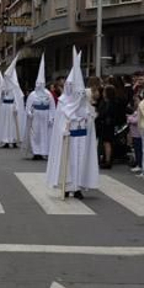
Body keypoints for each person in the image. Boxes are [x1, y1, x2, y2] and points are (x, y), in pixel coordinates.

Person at [46, 51, 99, 199]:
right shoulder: (62, 102)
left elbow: (89, 119)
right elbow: (60, 121)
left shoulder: (84, 104)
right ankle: (67, 185)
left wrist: (86, 119)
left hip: (81, 138)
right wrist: (64, 130)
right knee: (68, 163)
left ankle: (78, 188)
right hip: (67, 139)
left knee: (80, 162)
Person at [24, 57, 55, 160]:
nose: (39, 85)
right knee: (35, 134)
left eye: (41, 84)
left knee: (44, 134)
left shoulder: (48, 94)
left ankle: (43, 151)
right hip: (36, 116)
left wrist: (51, 117)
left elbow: (52, 107)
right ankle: (36, 151)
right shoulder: (32, 94)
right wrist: (29, 113)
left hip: (45, 116)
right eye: (38, 83)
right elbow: (28, 106)